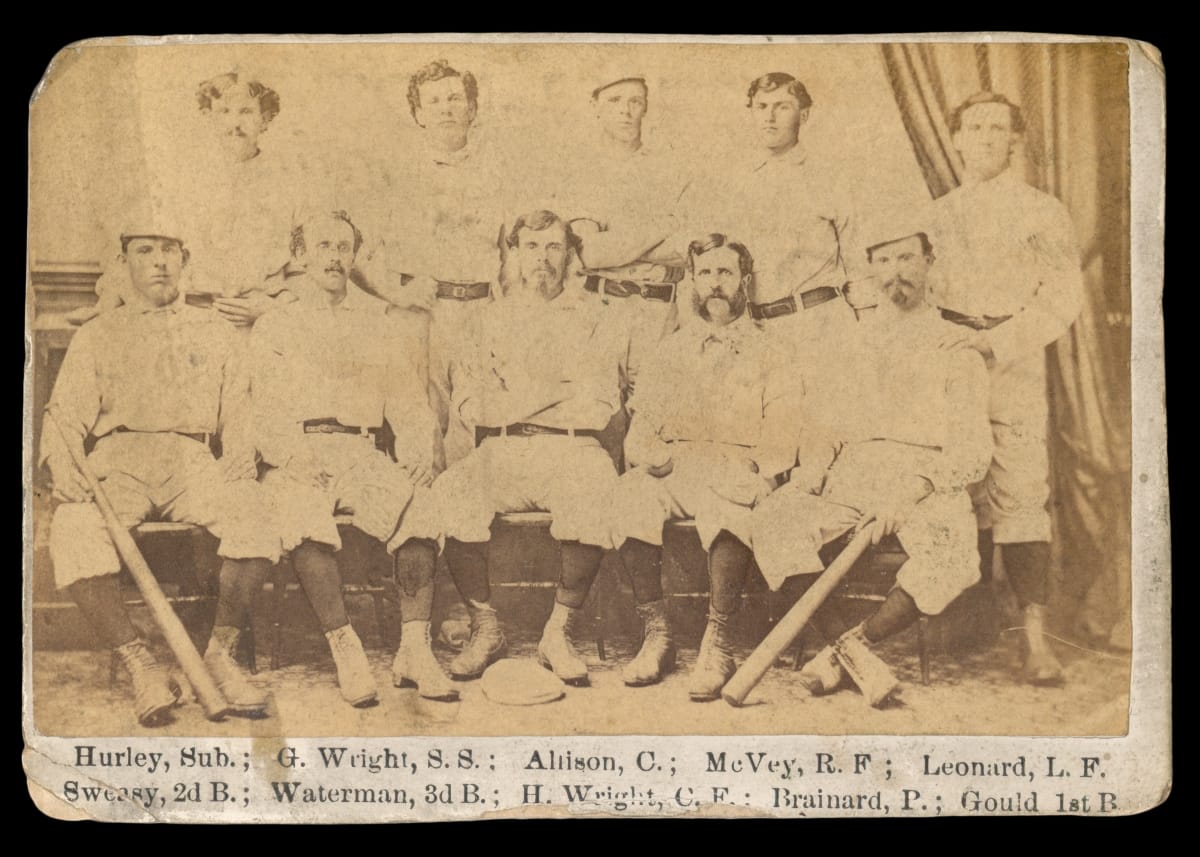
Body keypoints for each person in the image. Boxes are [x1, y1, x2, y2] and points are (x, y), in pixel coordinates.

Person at [42, 220, 284, 726]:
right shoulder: (98, 334)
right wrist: (65, 470)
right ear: (124, 262)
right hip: (117, 463)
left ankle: (219, 655)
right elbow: (63, 418)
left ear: (184, 259)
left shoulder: (215, 331)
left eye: (169, 250)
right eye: (145, 250)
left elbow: (239, 409)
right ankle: (141, 664)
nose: (158, 261)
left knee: (256, 513)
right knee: (71, 526)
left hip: (192, 460)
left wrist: (240, 455)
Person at [751, 215, 993, 706]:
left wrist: (912, 492)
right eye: (883, 259)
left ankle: (848, 651)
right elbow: (823, 427)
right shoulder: (848, 344)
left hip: (924, 482)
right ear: (869, 269)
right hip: (853, 474)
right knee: (774, 519)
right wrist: (811, 474)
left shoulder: (954, 345)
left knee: (953, 554)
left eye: (906, 256)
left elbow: (973, 450)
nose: (895, 271)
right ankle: (854, 656)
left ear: (930, 260)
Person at [394, 210, 629, 686]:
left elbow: (601, 406)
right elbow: (469, 405)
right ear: (514, 254)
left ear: (570, 255)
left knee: (598, 489)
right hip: (501, 450)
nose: (542, 258)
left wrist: (513, 401)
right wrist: (557, 389)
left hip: (573, 449)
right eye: (531, 247)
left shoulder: (595, 317)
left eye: (554, 247)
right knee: (452, 492)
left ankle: (557, 635)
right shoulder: (488, 317)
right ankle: (486, 625)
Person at [250, 211, 455, 706]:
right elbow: (261, 407)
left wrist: (416, 453)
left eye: (344, 247)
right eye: (323, 246)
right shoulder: (276, 325)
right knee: (301, 516)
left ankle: (413, 650)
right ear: (299, 256)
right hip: (299, 453)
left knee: (419, 506)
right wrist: (289, 454)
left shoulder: (377, 324)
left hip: (361, 450)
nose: (334, 257)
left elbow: (408, 401)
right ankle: (347, 648)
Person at [928, 92, 1084, 685]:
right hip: (952, 362)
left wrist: (998, 342)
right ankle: (963, 621)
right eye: (975, 127)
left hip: (1013, 360)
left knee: (1022, 492)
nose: (987, 137)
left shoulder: (1043, 212)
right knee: (953, 484)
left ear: (1014, 141)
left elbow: (1061, 299)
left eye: (999, 128)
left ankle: (1036, 641)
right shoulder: (937, 215)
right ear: (958, 139)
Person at [609, 234, 805, 699]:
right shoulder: (670, 350)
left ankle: (718, 642)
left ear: (745, 282)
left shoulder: (772, 351)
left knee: (731, 499)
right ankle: (657, 634)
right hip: (678, 462)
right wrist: (659, 458)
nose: (715, 284)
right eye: (705, 274)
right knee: (627, 495)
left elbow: (782, 433)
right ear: (692, 282)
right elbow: (641, 434)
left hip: (737, 463)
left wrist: (763, 473)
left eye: (725, 273)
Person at [355, 60, 508, 470]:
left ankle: (461, 524)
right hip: (421, 316)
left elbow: (510, 253)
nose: (446, 108)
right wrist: (396, 293)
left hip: (480, 311)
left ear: (472, 109)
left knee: (476, 421)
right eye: (434, 101)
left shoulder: (497, 173)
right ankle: (424, 526)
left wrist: (504, 311)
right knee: (422, 427)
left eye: (456, 98)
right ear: (419, 114)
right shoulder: (396, 176)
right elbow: (356, 252)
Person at [74, 72, 302, 328]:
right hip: (188, 316)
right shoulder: (183, 181)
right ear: (209, 117)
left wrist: (272, 309)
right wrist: (107, 302)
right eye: (224, 111)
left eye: (246, 112)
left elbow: (304, 269)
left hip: (261, 319)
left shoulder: (287, 186)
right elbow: (140, 245)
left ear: (265, 119)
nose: (234, 123)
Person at [564, 73, 691, 375]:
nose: (626, 110)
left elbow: (688, 250)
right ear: (594, 105)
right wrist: (666, 225)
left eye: (635, 101)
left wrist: (616, 242)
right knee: (599, 415)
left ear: (646, 107)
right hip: (598, 309)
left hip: (659, 312)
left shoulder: (671, 168)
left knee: (654, 414)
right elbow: (590, 253)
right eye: (614, 100)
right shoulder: (580, 170)